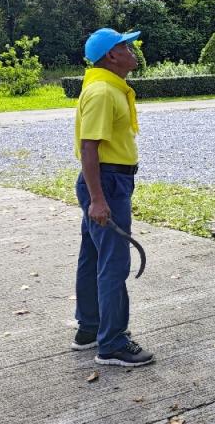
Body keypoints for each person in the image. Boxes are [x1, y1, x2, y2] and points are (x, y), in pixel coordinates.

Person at [71, 27, 154, 367]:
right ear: (111, 56)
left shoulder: (105, 86)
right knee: (114, 264)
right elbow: (90, 148)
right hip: (107, 183)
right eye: (125, 45)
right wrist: (98, 199)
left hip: (105, 182)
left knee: (92, 256)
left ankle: (90, 329)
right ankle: (112, 343)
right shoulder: (104, 91)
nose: (132, 49)